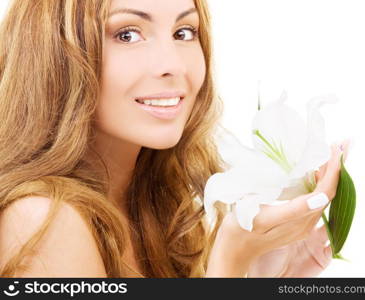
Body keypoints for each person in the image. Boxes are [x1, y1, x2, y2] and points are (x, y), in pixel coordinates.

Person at [0, 0, 343, 278]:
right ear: (55, 55)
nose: (173, 65)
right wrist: (229, 264)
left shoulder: (161, 209)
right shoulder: (42, 219)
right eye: (127, 35)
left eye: (183, 32)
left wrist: (263, 279)